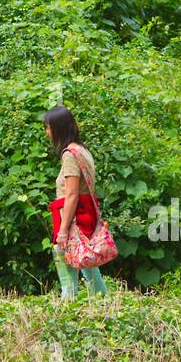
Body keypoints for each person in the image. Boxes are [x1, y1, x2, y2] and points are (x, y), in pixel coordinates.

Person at [43, 105, 108, 299]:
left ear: (58, 128)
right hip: (84, 213)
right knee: (84, 257)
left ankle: (68, 303)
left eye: (48, 127)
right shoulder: (82, 150)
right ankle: (101, 300)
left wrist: (63, 230)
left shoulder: (69, 154)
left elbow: (71, 194)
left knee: (63, 254)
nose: (47, 132)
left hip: (74, 215)